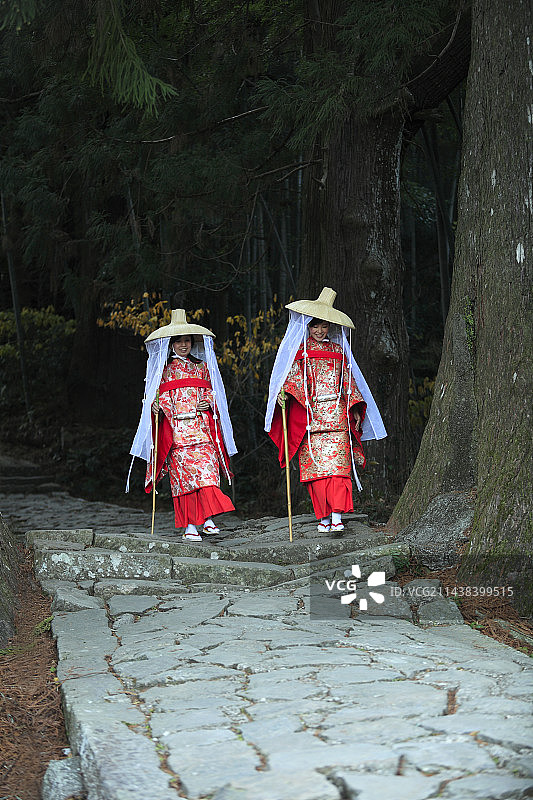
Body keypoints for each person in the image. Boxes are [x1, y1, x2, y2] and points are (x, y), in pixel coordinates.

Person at [265, 287, 387, 534]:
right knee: (317, 472)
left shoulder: (340, 352)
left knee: (338, 469)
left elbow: (349, 383)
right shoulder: (300, 354)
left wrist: (353, 407)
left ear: (330, 328)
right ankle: (322, 516)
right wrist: (285, 393)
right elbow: (293, 381)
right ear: (307, 327)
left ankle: (336, 515)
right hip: (311, 419)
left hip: (338, 416)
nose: (319, 331)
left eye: (324, 326)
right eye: (315, 326)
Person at [127, 308, 237, 541]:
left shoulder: (202, 367)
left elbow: (212, 391)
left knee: (208, 474)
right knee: (184, 481)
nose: (183, 345)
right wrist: (156, 407)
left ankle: (208, 519)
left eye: (187, 341)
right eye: (178, 341)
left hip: (202, 430)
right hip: (177, 433)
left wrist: (208, 402)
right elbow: (156, 396)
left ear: (192, 342)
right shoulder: (164, 371)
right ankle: (189, 525)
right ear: (171, 344)